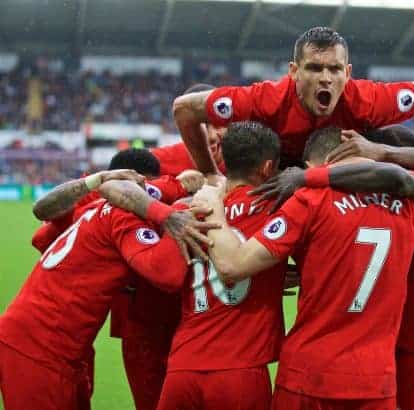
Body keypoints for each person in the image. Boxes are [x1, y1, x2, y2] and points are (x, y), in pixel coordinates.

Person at [195, 127, 414, 409]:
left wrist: (214, 204)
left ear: (312, 165)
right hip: (376, 381)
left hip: (308, 375)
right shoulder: (411, 206)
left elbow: (232, 266)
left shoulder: (309, 200)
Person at [0, 186, 201, 410]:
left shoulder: (93, 207)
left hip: (52, 345)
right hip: (40, 348)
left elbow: (40, 237)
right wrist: (182, 208)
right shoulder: (123, 216)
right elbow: (167, 274)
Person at [173, 26, 414, 170]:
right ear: (294, 71)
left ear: (347, 73)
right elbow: (185, 109)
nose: (326, 77)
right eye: (314, 68)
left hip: (344, 184)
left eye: (335, 69)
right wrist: (209, 173)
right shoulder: (266, 99)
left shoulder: (368, 100)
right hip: (280, 181)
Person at [157, 121, 287, 410]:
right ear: (268, 168)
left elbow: (164, 275)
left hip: (181, 368)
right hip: (241, 370)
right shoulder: (277, 208)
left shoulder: (186, 212)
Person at [151, 84, 227, 176]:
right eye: (201, 127)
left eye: (217, 124)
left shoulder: (245, 165)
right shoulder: (159, 161)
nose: (212, 136)